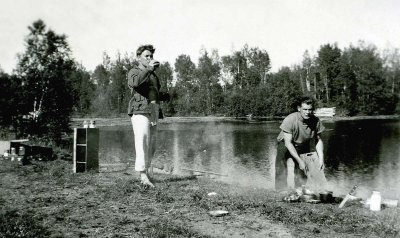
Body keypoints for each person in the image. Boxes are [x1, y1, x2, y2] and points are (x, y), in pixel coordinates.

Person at [127, 44, 170, 187]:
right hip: (140, 110)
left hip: (153, 111)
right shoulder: (134, 71)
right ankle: (143, 175)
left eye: (151, 56)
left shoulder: (153, 75)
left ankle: (146, 172)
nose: (150, 58)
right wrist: (149, 69)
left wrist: (164, 96)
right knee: (142, 142)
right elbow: (135, 82)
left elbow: (152, 92)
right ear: (138, 58)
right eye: (147, 56)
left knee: (152, 145)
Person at [278, 96, 325, 189]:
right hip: (285, 144)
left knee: (303, 170)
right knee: (281, 169)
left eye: (310, 109)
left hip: (303, 145)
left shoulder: (316, 121)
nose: (308, 112)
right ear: (299, 108)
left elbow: (318, 140)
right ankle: (280, 190)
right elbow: (288, 143)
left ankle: (299, 190)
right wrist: (299, 161)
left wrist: (321, 159)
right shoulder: (290, 119)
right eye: (305, 109)